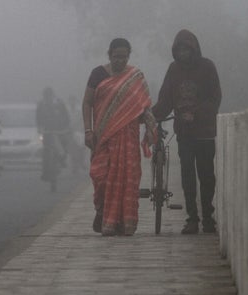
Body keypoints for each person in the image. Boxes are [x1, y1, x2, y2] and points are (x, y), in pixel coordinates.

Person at [82, 38, 157, 236]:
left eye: (124, 57)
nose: (120, 61)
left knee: (128, 179)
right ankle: (102, 212)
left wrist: (150, 129)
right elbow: (87, 103)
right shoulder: (98, 74)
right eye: (116, 57)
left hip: (128, 137)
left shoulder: (135, 76)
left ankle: (124, 223)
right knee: (100, 176)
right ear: (109, 55)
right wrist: (87, 130)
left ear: (128, 57)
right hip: (103, 136)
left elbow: (144, 105)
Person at [152, 29, 222, 234]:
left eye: (186, 49)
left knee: (207, 175)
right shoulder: (173, 70)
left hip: (205, 132)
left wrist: (197, 114)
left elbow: (215, 98)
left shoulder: (207, 67)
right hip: (184, 133)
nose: (183, 53)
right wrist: (151, 115)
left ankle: (208, 217)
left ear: (194, 49)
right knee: (188, 176)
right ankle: (192, 217)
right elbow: (165, 100)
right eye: (179, 50)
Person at [36, 87, 71, 180]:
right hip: (47, 132)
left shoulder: (59, 104)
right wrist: (40, 129)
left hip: (60, 131)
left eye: (49, 95)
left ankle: (62, 159)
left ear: (52, 95)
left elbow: (66, 117)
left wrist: (66, 128)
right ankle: (45, 172)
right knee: (46, 152)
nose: (48, 98)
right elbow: (38, 118)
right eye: (46, 96)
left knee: (64, 145)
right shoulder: (41, 105)